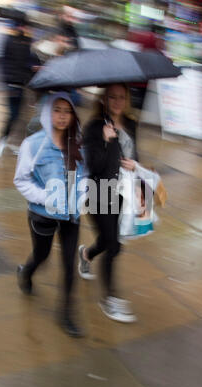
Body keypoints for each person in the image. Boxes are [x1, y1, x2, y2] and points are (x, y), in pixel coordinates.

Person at [14, 92, 85, 338]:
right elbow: (21, 180)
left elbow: (84, 176)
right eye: (58, 110)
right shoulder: (33, 144)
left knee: (68, 265)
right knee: (42, 256)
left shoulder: (78, 143)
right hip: (42, 215)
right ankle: (26, 272)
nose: (63, 116)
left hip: (71, 216)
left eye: (68, 111)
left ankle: (66, 314)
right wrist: (46, 197)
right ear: (48, 112)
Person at [78, 84, 139, 324]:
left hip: (124, 193)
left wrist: (139, 172)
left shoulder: (132, 123)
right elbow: (93, 166)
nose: (116, 101)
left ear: (126, 99)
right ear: (103, 99)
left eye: (121, 97)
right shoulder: (94, 127)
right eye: (111, 97)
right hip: (99, 192)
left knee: (106, 240)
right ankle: (109, 299)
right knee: (113, 246)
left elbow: (136, 154)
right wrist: (105, 141)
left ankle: (86, 254)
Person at [0, 16, 40, 158]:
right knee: (13, 115)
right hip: (13, 85)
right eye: (24, 26)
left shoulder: (25, 43)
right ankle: (3, 141)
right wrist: (5, 83)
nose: (25, 29)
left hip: (20, 85)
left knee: (18, 116)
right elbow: (4, 63)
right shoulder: (10, 41)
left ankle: (8, 142)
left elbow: (27, 64)